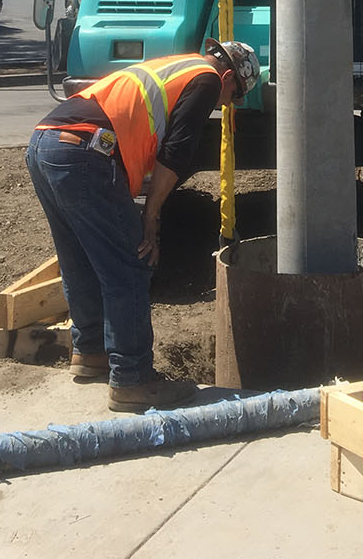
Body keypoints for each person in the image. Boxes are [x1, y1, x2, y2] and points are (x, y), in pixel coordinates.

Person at [25, 38, 260, 412]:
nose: (224, 104)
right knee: (131, 263)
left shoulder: (176, 66)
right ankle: (132, 379)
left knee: (80, 259)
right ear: (228, 75)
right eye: (233, 96)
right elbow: (176, 153)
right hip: (85, 150)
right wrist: (150, 219)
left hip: (45, 144)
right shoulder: (207, 79)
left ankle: (91, 351)